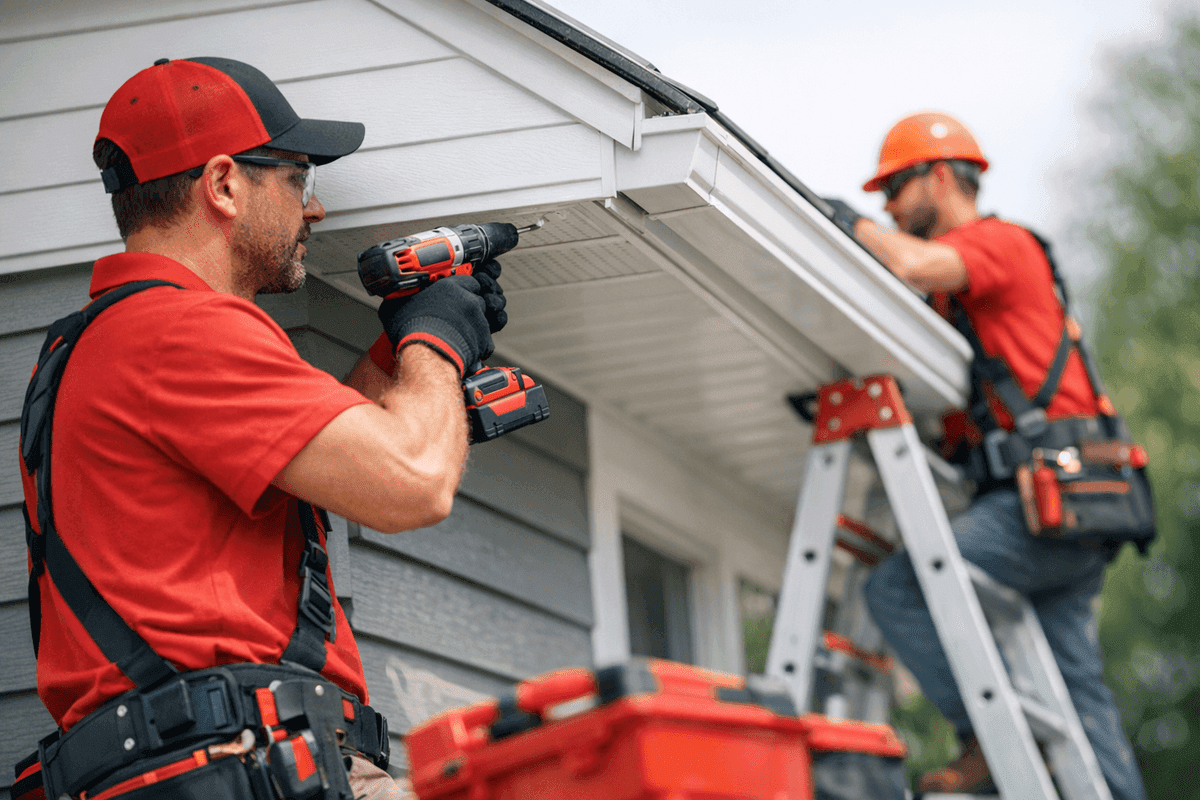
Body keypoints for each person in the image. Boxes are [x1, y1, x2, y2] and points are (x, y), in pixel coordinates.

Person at [18, 57, 505, 800]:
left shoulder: (105, 342)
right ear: (223, 185)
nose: (315, 210)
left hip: (207, 763)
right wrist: (436, 341)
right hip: (244, 765)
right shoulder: (182, 331)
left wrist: (402, 347)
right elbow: (414, 483)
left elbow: (330, 456)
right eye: (299, 178)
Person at [823, 112, 1147, 799]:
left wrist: (850, 224)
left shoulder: (998, 244)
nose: (887, 206)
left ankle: (991, 743)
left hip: (1046, 500)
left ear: (940, 176)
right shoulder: (960, 298)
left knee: (898, 585)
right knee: (1080, 698)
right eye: (879, 197)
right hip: (1074, 507)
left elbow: (908, 261)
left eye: (895, 187)